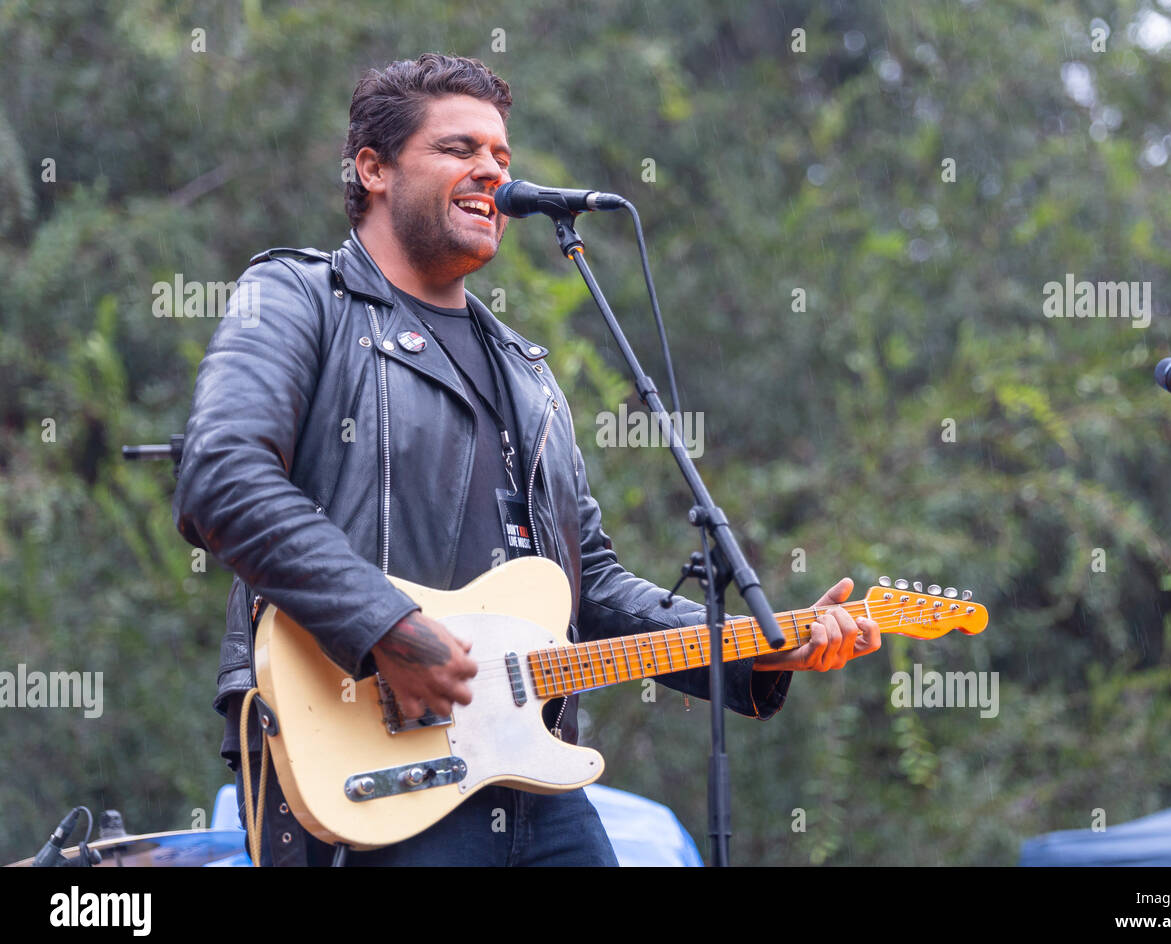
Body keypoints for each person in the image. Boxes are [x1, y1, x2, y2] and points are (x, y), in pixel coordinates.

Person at [173, 53, 881, 867]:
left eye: (503, 158)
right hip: (365, 761)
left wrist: (757, 642)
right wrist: (390, 630)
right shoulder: (298, 299)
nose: (491, 172)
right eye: (459, 149)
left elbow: (595, 586)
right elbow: (221, 475)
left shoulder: (526, 370)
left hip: (528, 770)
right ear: (372, 168)